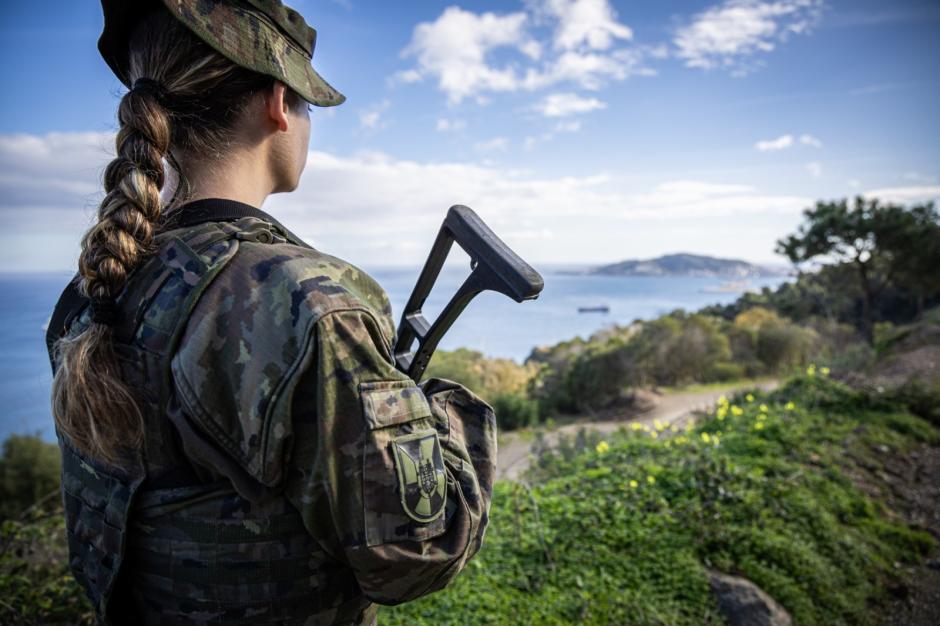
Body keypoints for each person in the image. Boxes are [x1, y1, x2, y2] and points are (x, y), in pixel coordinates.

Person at [45, 1, 497, 624]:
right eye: (310, 105)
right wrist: (444, 412)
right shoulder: (305, 302)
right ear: (279, 103)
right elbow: (418, 551)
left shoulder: (99, 280)